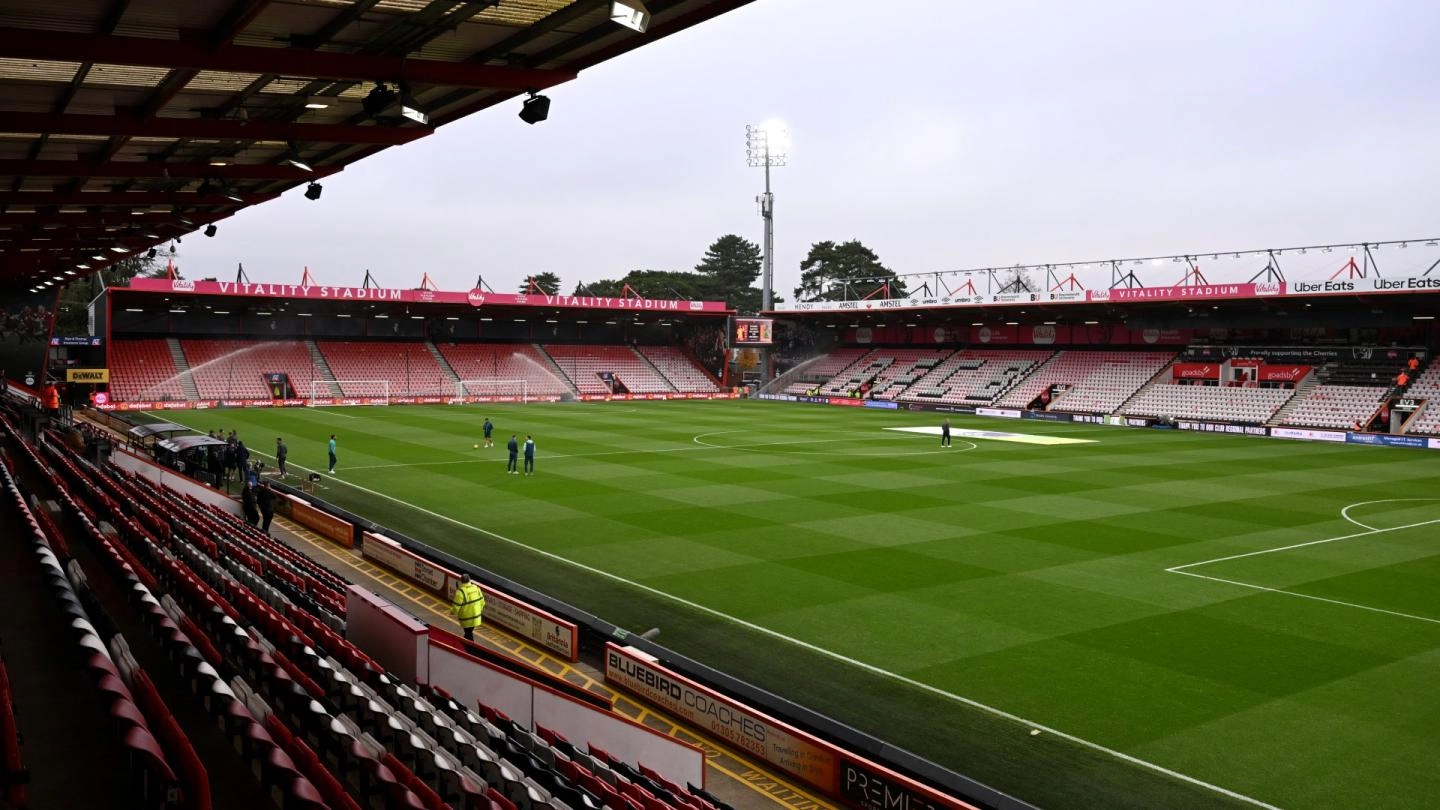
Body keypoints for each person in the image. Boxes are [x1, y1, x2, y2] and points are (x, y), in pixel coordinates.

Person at [451, 573, 485, 641]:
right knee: (468, 633)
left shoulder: (460, 592)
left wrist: (452, 612)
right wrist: (478, 612)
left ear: (461, 581)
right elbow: (482, 602)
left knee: (468, 634)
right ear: (470, 580)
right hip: (476, 617)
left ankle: (470, 649)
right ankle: (467, 647)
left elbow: (456, 608)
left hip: (466, 620)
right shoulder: (476, 588)